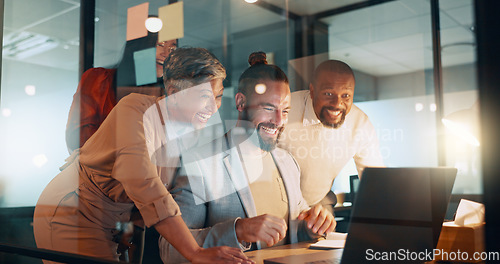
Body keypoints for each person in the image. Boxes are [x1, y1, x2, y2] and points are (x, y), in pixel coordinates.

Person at [33, 47, 252, 264]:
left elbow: (155, 195)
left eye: (218, 96)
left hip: (113, 222)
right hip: (73, 211)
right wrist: (195, 251)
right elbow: (143, 184)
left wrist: (130, 230)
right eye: (205, 96)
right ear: (175, 93)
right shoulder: (134, 109)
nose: (214, 108)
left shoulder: (186, 134)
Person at [159, 52, 336, 263]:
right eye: (268, 108)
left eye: (285, 111)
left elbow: (293, 230)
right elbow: (170, 250)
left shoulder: (287, 161)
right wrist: (238, 230)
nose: (279, 121)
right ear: (241, 102)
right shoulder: (200, 163)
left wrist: (314, 224)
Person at [278, 60, 384, 211]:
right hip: (273, 204)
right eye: (328, 93)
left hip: (316, 206)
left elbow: (376, 183)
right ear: (312, 91)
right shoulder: (284, 110)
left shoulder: (360, 123)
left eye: (346, 95)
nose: (337, 103)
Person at [65, 32, 177, 153]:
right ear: (140, 45)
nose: (166, 54)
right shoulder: (100, 79)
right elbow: (79, 137)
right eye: (160, 44)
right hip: (105, 167)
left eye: (172, 49)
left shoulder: (165, 96)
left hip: (142, 169)